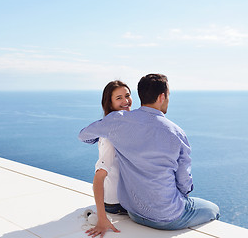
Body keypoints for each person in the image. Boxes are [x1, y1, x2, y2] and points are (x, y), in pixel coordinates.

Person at [79, 74, 220, 231]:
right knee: (214, 209)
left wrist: (108, 132)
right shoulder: (176, 133)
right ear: (162, 96)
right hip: (167, 216)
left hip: (134, 212)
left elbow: (84, 135)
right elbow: (184, 183)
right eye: (168, 96)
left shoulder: (117, 121)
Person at [86, 80, 132, 238]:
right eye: (119, 98)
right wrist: (102, 218)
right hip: (116, 204)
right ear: (110, 103)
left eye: (127, 95)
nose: (126, 101)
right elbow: (99, 176)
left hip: (123, 200)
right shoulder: (110, 135)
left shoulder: (124, 126)